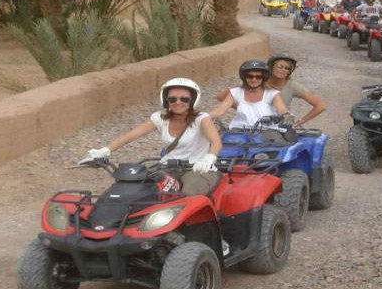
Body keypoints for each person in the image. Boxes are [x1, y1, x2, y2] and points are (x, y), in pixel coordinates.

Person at [82, 78, 223, 195]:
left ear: (192, 100)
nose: (178, 102)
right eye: (172, 99)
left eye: (184, 99)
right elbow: (130, 135)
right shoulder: (160, 118)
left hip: (197, 169)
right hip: (168, 168)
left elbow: (216, 141)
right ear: (166, 100)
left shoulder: (201, 118)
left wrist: (209, 158)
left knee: (188, 196)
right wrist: (105, 150)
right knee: (139, 190)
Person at [209, 60, 292, 130]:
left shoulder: (272, 94)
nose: (254, 79)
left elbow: (281, 109)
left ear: (264, 78)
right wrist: (201, 116)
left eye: (258, 77)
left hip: (266, 133)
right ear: (244, 77)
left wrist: (286, 115)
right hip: (239, 132)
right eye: (250, 76)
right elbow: (219, 111)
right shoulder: (235, 92)